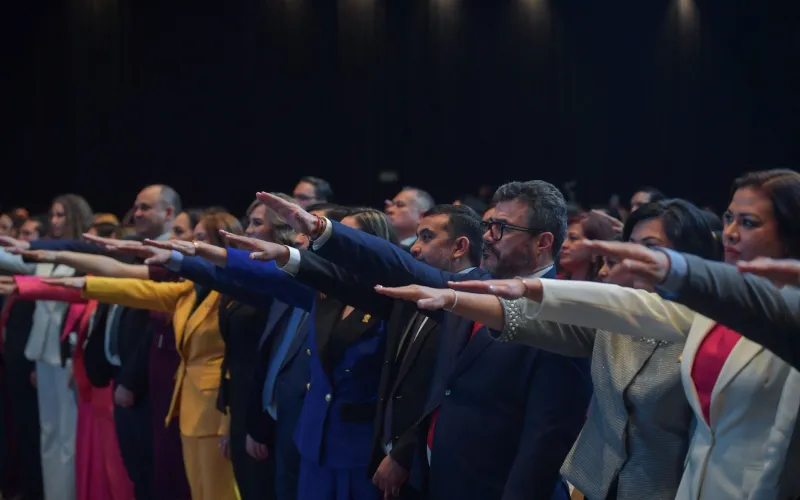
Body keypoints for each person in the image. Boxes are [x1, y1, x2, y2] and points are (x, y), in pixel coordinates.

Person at [441, 170, 800, 500]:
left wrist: (669, 267)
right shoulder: (693, 312)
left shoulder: (776, 314)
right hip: (613, 485)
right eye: (728, 218)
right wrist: (462, 297)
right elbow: (610, 305)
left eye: (748, 222)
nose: (732, 232)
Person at [255, 182, 592, 500]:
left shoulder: (563, 315)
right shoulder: (476, 286)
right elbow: (400, 265)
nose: (488, 237)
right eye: (488, 225)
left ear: (543, 242)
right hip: (439, 480)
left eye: (501, 228)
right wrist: (322, 230)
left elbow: (546, 438)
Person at [373, 199, 721, 500]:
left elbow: (549, 430)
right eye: (631, 246)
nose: (633, 258)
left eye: (650, 246)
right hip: (594, 486)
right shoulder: (612, 320)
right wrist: (452, 298)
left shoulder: (709, 330)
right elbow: (526, 320)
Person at [0, 193, 94, 500]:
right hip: (42, 352)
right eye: (52, 214)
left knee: (68, 435)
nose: (54, 221)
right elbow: (14, 260)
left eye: (61, 215)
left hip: (68, 354)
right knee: (48, 431)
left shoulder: (86, 255)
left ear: (76, 217)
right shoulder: (45, 255)